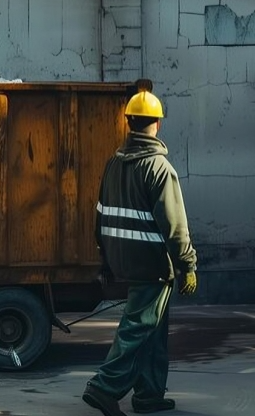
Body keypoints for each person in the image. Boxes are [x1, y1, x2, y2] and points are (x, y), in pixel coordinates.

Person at [82, 86, 198, 416]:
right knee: (138, 327)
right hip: (153, 264)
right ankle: (104, 387)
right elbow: (175, 227)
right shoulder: (159, 168)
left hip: (123, 260)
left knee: (153, 329)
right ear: (157, 125)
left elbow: (100, 214)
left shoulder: (114, 164)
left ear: (128, 122)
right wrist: (187, 265)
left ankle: (149, 394)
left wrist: (106, 258)